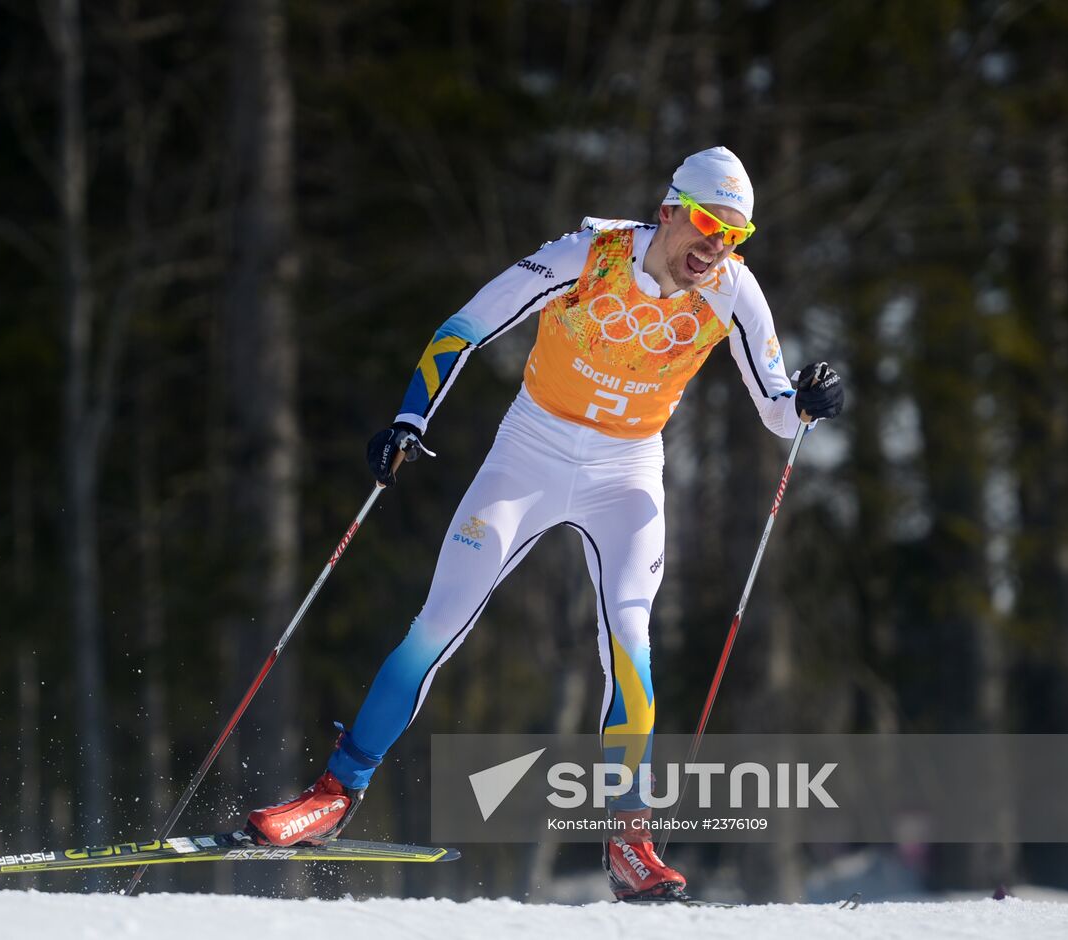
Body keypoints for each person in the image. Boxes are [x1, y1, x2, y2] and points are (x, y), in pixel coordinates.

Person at [245, 147, 844, 900]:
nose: (714, 247)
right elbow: (463, 328)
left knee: (630, 642)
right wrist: (408, 418)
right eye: (703, 225)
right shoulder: (584, 257)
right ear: (668, 211)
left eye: (734, 235)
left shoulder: (731, 289)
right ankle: (334, 794)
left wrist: (812, 401)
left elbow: (776, 407)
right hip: (529, 452)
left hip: (627, 474)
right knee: (438, 624)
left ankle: (630, 841)